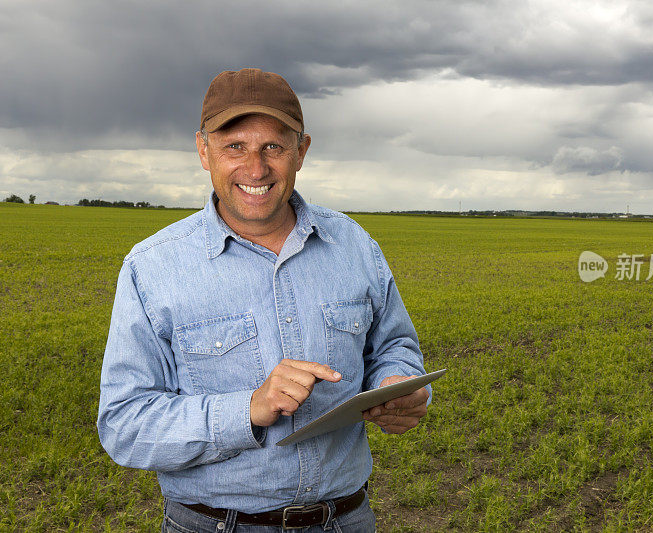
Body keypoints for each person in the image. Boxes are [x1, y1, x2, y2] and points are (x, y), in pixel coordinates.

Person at [97, 68, 431, 532]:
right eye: (235, 146)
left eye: (273, 146)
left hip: (346, 520)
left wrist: (402, 383)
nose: (256, 169)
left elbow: (394, 345)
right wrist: (248, 409)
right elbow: (124, 425)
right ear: (203, 150)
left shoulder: (354, 245)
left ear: (302, 151)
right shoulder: (151, 268)